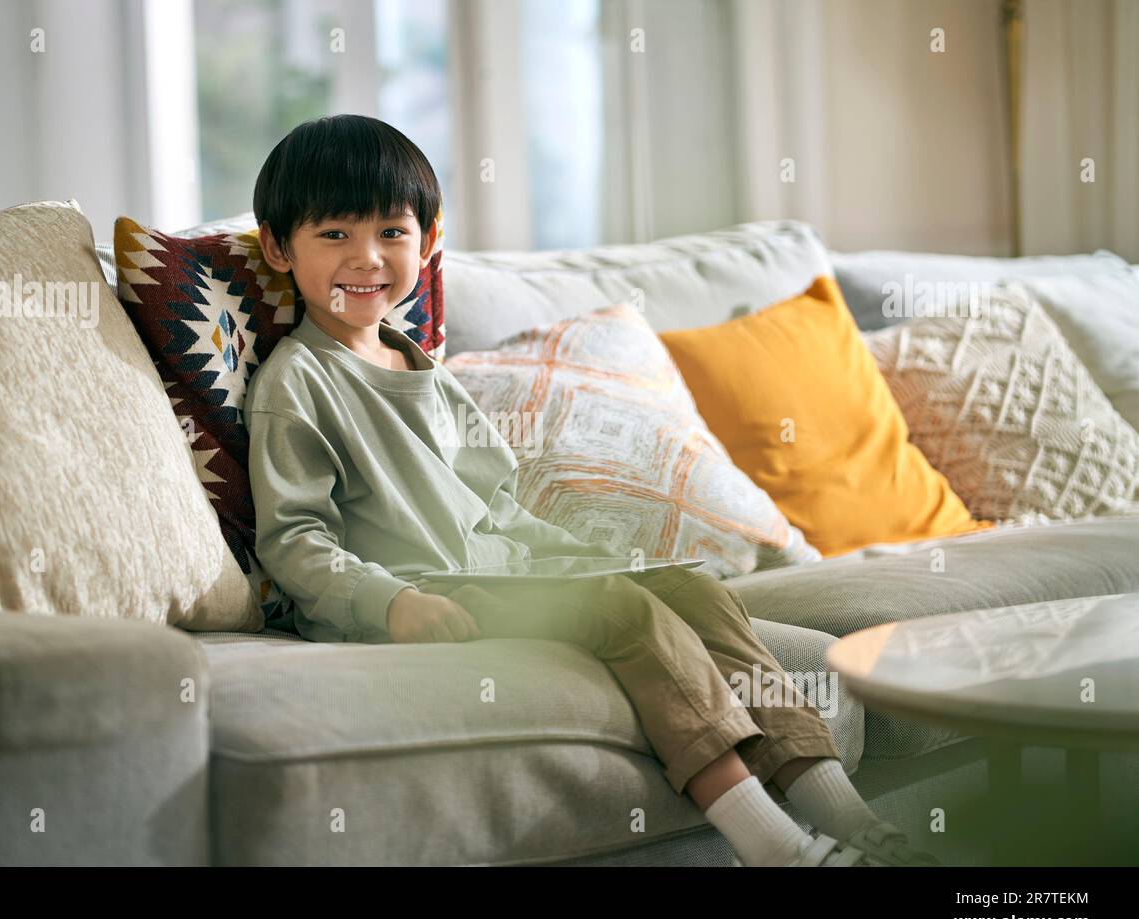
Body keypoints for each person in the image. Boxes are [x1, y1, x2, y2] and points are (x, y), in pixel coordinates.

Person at [243, 113, 940, 867]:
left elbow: (501, 511)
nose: (368, 258)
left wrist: (594, 556)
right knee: (622, 611)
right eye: (335, 235)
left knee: (690, 589)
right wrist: (390, 602)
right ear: (280, 247)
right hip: (420, 592)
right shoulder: (298, 383)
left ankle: (848, 817)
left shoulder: (425, 373)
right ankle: (775, 848)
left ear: (429, 240)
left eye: (391, 233)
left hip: (494, 573)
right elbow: (295, 540)